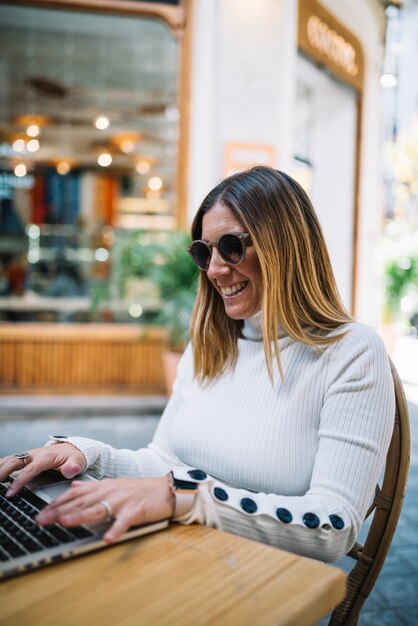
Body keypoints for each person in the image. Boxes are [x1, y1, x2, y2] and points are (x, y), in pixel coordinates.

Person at [0, 167, 395, 562]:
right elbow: (164, 463)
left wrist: (187, 498)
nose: (216, 270)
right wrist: (86, 454)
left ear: (286, 245)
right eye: (205, 252)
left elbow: (333, 527)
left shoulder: (350, 353)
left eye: (233, 247)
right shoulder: (210, 344)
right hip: (184, 557)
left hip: (263, 586)